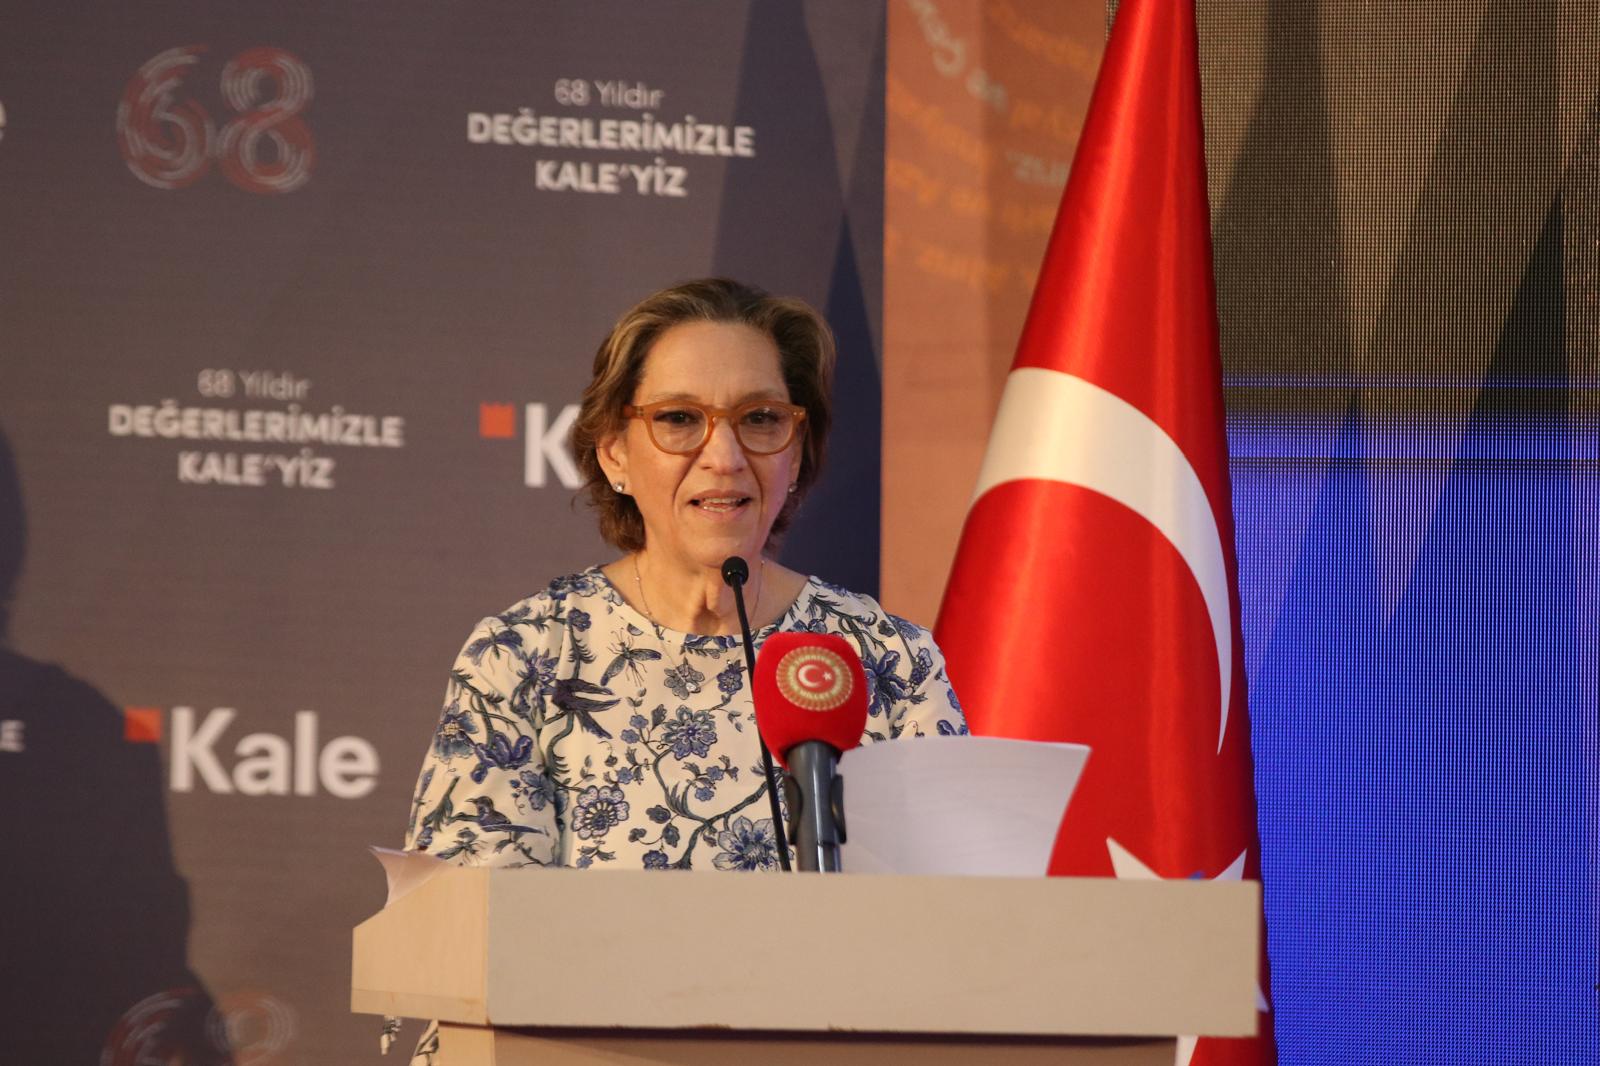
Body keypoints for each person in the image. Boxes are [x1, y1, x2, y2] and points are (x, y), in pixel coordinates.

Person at [403, 277, 967, 876]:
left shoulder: (889, 659)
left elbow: (955, 907)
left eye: (761, 418)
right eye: (678, 418)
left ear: (796, 451)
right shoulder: (526, 655)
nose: (724, 457)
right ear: (614, 452)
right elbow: (471, 919)